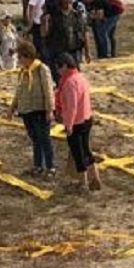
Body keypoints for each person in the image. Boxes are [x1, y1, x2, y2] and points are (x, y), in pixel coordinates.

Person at [54, 52, 100, 192]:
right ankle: (95, 177)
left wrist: (68, 125)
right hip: (86, 117)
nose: (58, 71)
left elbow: (72, 106)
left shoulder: (69, 82)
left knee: (78, 153)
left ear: (65, 66)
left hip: (77, 122)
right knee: (86, 150)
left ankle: (83, 182)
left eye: (59, 68)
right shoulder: (80, 77)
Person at [10, 41, 56, 177]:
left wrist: (49, 110)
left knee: (44, 139)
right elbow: (19, 91)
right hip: (26, 110)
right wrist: (12, 107)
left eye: (20, 57)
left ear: (27, 56)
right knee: (35, 139)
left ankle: (50, 167)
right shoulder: (23, 72)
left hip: (39, 109)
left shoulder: (42, 69)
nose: (18, 60)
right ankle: (38, 166)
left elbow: (48, 91)